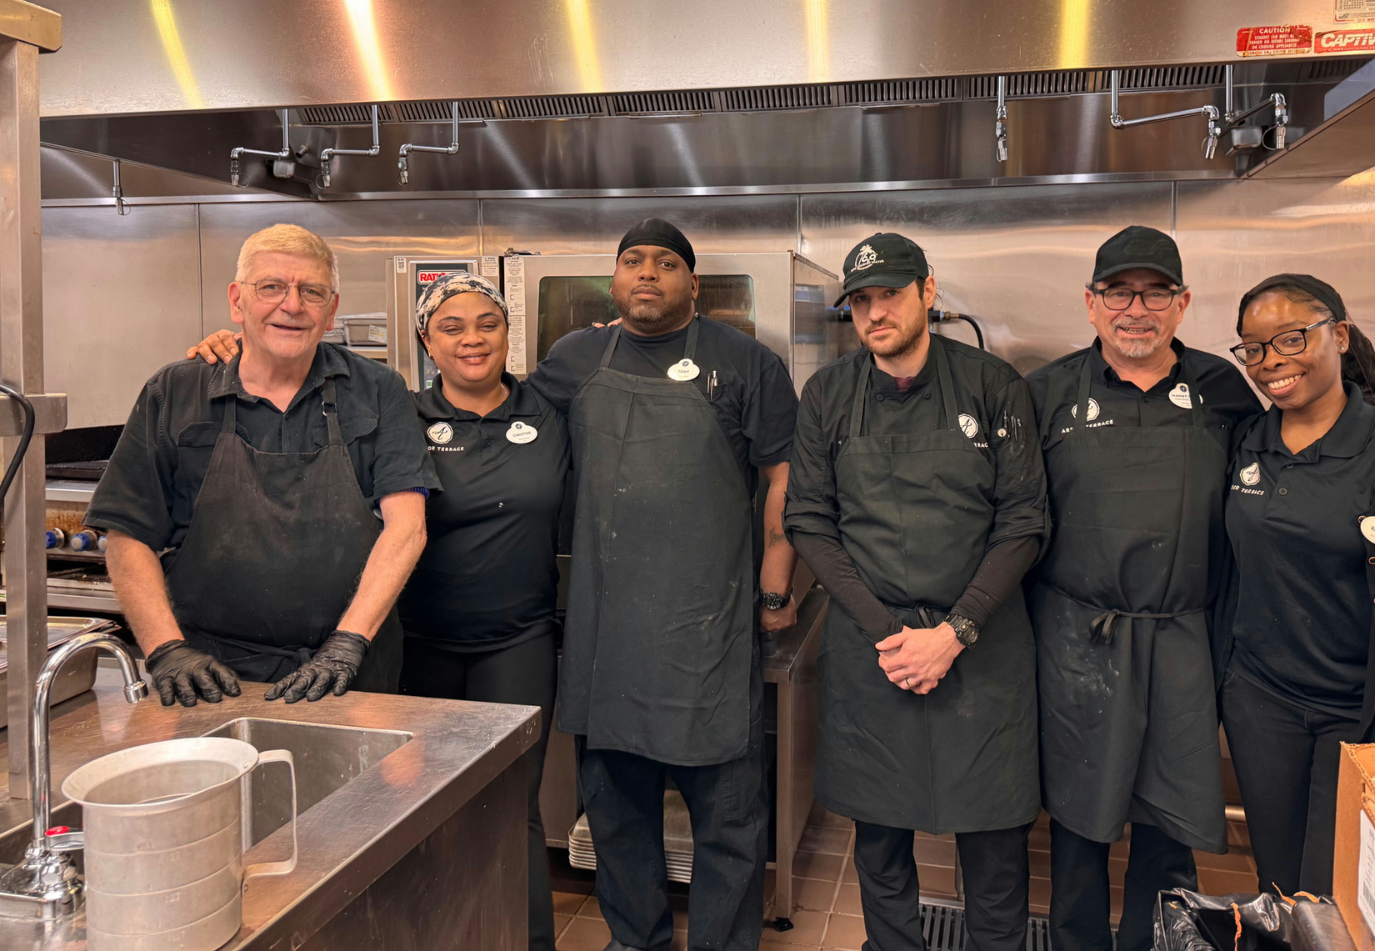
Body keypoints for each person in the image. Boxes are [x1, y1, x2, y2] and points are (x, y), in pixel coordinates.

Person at [189, 271, 567, 951]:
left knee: (513, 810)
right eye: (451, 326)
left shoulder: (552, 412)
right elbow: (291, 377)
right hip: (411, 643)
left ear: (511, 332)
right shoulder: (396, 411)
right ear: (427, 339)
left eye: (488, 323)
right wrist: (232, 344)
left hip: (518, 643)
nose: (472, 339)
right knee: (412, 810)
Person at [526, 218, 800, 951]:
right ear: (614, 281)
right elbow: (495, 414)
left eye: (668, 263)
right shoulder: (574, 358)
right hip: (607, 633)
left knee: (729, 823)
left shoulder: (745, 362)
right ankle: (636, 939)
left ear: (692, 282)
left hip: (707, 628)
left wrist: (775, 588)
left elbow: (783, 476)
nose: (649, 273)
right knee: (615, 815)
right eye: (634, 261)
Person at [784, 233, 1050, 951]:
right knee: (879, 836)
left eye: (890, 295)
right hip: (877, 645)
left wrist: (954, 633)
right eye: (862, 301)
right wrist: (888, 636)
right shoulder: (828, 395)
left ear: (928, 293)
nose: (876, 313)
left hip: (983, 644)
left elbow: (1025, 522)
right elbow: (807, 522)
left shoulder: (994, 387)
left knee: (994, 842)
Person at [1024, 226, 1262, 951]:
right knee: (1078, 826)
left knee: (1167, 825)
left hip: (1182, 637)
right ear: (1091, 305)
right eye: (1119, 292)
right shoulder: (1048, 392)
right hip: (1076, 639)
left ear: (1183, 303)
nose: (1138, 308)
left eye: (1156, 292)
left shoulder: (1223, 388)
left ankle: (1156, 942)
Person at [86, 223, 438, 706]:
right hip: (206, 676)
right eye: (271, 287)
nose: (291, 305)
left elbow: (407, 528)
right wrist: (166, 649)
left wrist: (349, 642)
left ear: (331, 309)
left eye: (311, 291)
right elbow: (128, 533)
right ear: (237, 301)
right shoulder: (175, 392)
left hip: (348, 675)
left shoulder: (378, 389)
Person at [1218, 274, 1375, 895]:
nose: (1271, 362)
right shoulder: (1250, 442)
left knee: (1347, 890)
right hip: (1260, 707)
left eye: (1291, 338)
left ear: (1341, 336)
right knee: (1279, 882)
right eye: (1253, 347)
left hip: (1361, 715)